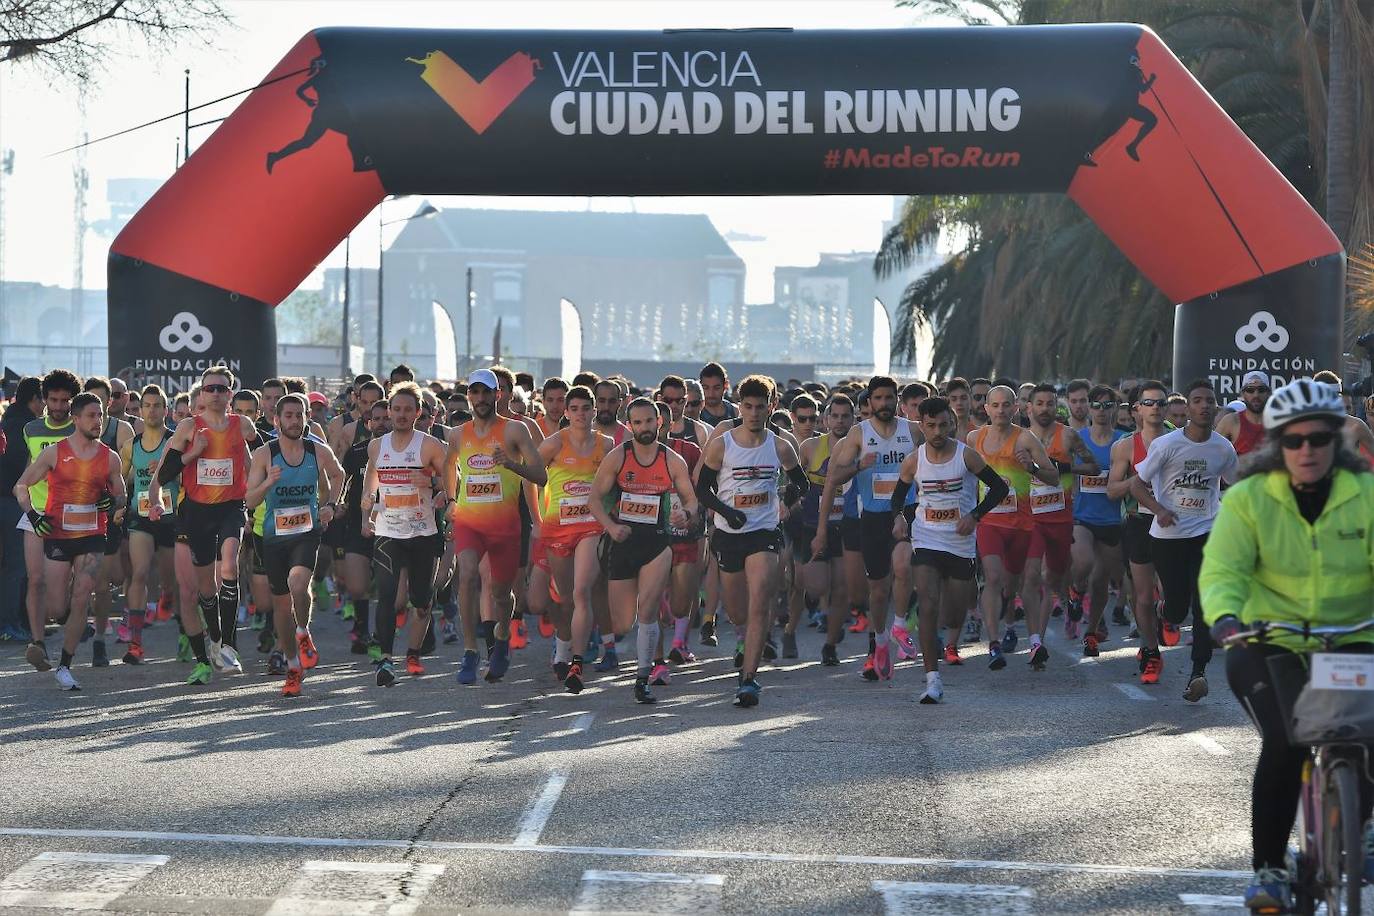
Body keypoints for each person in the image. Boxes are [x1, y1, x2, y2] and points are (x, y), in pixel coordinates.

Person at [1200, 378, 1374, 911]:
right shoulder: (1250, 498)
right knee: (1287, 738)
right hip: (1265, 638)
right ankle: (1270, 868)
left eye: (1318, 440)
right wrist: (1226, 618)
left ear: (1336, 441)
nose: (1306, 450)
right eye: (1293, 441)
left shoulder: (1366, 494)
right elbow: (1223, 570)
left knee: (1368, 732)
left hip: (1352, 637)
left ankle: (1363, 830)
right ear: (1277, 443)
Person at [889, 396, 1009, 703]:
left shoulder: (967, 456)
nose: (938, 431)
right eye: (931, 426)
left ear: (951, 424)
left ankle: (947, 631)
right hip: (927, 539)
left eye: (944, 425)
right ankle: (932, 679)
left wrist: (975, 516)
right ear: (923, 427)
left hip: (960, 543)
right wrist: (900, 519)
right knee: (928, 605)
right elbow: (898, 495)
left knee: (953, 615)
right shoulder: (914, 460)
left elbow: (1000, 488)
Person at [696, 374, 806, 707]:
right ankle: (744, 639)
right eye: (748, 406)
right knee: (737, 611)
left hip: (764, 532)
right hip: (730, 534)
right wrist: (726, 513)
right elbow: (702, 489)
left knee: (760, 602)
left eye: (761, 406)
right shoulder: (722, 444)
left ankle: (748, 679)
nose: (754, 413)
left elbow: (802, 484)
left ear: (772, 406)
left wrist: (785, 502)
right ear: (739, 407)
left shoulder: (780, 445)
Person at [149, 366, 262, 685]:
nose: (215, 393)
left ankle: (228, 645)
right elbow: (165, 471)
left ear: (230, 394)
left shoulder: (242, 425)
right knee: (204, 589)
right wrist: (193, 454)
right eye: (210, 388)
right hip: (197, 511)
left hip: (230, 507)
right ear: (201, 393)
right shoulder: (189, 427)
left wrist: (259, 495)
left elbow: (256, 461)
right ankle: (214, 640)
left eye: (221, 389)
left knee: (229, 565)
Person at [1128, 379, 1238, 702]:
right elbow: (1136, 486)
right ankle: (1167, 611)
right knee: (1177, 608)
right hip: (1168, 537)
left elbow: (1237, 483)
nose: (1205, 405)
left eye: (1210, 400)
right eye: (1198, 400)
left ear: (1216, 408)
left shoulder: (1222, 448)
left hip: (1207, 534)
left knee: (1204, 602)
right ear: (1187, 408)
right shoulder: (1167, 445)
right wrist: (1159, 508)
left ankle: (1198, 672)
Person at [588, 397, 698, 704]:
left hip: (656, 542)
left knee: (648, 611)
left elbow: (691, 500)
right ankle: (636, 652)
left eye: (649, 421)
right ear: (630, 425)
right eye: (637, 423)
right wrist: (611, 528)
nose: (644, 428)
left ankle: (642, 677)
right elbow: (594, 499)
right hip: (622, 541)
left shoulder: (672, 460)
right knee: (623, 622)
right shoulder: (618, 457)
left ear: (659, 422)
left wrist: (686, 514)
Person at [13, 392, 125, 690]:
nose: (97, 421)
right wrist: (34, 516)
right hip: (59, 535)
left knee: (83, 595)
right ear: (75, 419)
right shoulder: (55, 453)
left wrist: (111, 502)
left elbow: (121, 493)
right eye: (91, 416)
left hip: (91, 536)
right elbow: (21, 485)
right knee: (56, 606)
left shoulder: (109, 456)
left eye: (100, 415)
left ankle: (65, 665)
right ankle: (63, 621)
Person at [812, 376, 917, 682]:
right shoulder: (858, 434)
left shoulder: (912, 431)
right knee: (872, 591)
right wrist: (859, 466)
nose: (884, 404)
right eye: (879, 399)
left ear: (896, 399)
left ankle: (899, 624)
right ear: (869, 402)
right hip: (868, 518)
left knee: (902, 566)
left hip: (904, 515)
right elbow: (833, 478)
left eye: (889, 398)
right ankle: (879, 643)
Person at [445, 369, 546, 685]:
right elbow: (450, 465)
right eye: (474, 393)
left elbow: (541, 475)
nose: (480, 399)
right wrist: (451, 499)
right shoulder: (459, 434)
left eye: (486, 392)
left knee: (502, 593)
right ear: (468, 396)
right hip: (470, 522)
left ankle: (502, 637)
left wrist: (511, 464)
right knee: (468, 575)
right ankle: (471, 650)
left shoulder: (515, 431)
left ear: (497, 395)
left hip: (504, 524)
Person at [246, 394, 344, 697]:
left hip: (306, 531)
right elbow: (249, 500)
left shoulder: (317, 449)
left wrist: (330, 505)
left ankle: (303, 631)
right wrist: (267, 483)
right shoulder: (264, 454)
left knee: (298, 584)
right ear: (277, 420)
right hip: (273, 536)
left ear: (306, 418)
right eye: (287, 416)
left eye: (299, 415)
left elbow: (338, 475)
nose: (294, 421)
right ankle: (291, 666)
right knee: (280, 605)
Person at [361, 382, 449, 686]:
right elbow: (371, 479)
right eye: (396, 409)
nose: (400, 414)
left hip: (423, 533)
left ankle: (412, 652)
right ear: (389, 411)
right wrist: (366, 513)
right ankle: (384, 660)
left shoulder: (430, 446)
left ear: (418, 413)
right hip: (388, 532)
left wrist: (435, 486)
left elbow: (453, 482)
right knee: (386, 597)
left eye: (407, 409)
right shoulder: (377, 445)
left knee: (421, 600)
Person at [969, 386, 1059, 669]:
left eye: (1006, 405)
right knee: (993, 578)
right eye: (995, 405)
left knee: (1026, 582)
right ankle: (994, 644)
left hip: (1024, 524)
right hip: (991, 523)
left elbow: (1054, 478)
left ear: (1016, 409)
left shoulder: (1026, 438)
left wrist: (1031, 467)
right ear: (986, 409)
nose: (1000, 410)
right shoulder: (975, 438)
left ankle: (1035, 642)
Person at [535, 384, 610, 693]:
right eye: (574, 409)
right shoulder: (553, 444)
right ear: (566, 413)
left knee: (581, 592)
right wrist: (536, 517)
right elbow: (531, 477)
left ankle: (577, 663)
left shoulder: (606, 445)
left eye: (586, 408)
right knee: (563, 599)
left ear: (594, 411)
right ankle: (563, 648)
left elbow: (618, 479)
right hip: (557, 528)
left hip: (590, 528)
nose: (580, 414)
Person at [1107, 381, 1169, 684]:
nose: (1155, 408)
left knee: (1171, 591)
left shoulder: (1179, 439)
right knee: (1143, 596)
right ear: (1137, 410)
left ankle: (1167, 614)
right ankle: (1150, 650)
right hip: (1139, 522)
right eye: (1149, 403)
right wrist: (1133, 483)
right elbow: (1112, 490)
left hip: (1176, 523)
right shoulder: (1126, 446)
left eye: (1161, 402)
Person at [19, 369, 82, 671]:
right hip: (37, 510)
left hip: (72, 514)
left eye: (64, 401)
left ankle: (68, 612)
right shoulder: (31, 429)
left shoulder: (80, 429)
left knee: (58, 601)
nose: (58, 407)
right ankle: (38, 643)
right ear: (43, 400)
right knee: (35, 579)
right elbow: (32, 466)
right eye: (53, 400)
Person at [120, 385, 179, 665]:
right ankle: (135, 643)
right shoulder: (131, 446)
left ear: (165, 410)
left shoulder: (177, 440)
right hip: (140, 518)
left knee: (170, 580)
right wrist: (118, 505)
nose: (152, 410)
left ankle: (170, 598)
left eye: (157, 405)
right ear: (140, 410)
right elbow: (118, 481)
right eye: (147, 405)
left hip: (171, 519)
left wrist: (168, 470)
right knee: (140, 573)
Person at [1069, 385, 1126, 656]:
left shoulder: (1124, 441)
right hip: (1082, 517)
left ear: (1115, 409)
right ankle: (1075, 591)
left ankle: (1091, 632)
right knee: (1083, 562)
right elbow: (1063, 474)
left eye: (1107, 405)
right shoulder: (1077, 438)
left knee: (1101, 581)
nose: (1101, 411)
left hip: (1113, 519)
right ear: (1089, 409)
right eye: (1096, 405)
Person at [0, 375, 41, 643]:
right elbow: (20, 471)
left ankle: (24, 623)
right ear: (35, 400)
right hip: (12, 502)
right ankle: (11, 624)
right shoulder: (27, 427)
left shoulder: (7, 422)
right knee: (17, 566)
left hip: (8, 500)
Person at [1215, 371, 1270, 456]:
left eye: (1261, 390)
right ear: (1242, 394)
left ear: (1268, 393)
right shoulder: (1231, 421)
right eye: (1250, 390)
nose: (1256, 395)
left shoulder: (1279, 422)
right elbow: (1212, 453)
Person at [698, 362, 739, 427]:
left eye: (716, 388)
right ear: (699, 386)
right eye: (706, 388)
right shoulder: (694, 412)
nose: (711, 393)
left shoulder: (736, 412)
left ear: (726, 385)